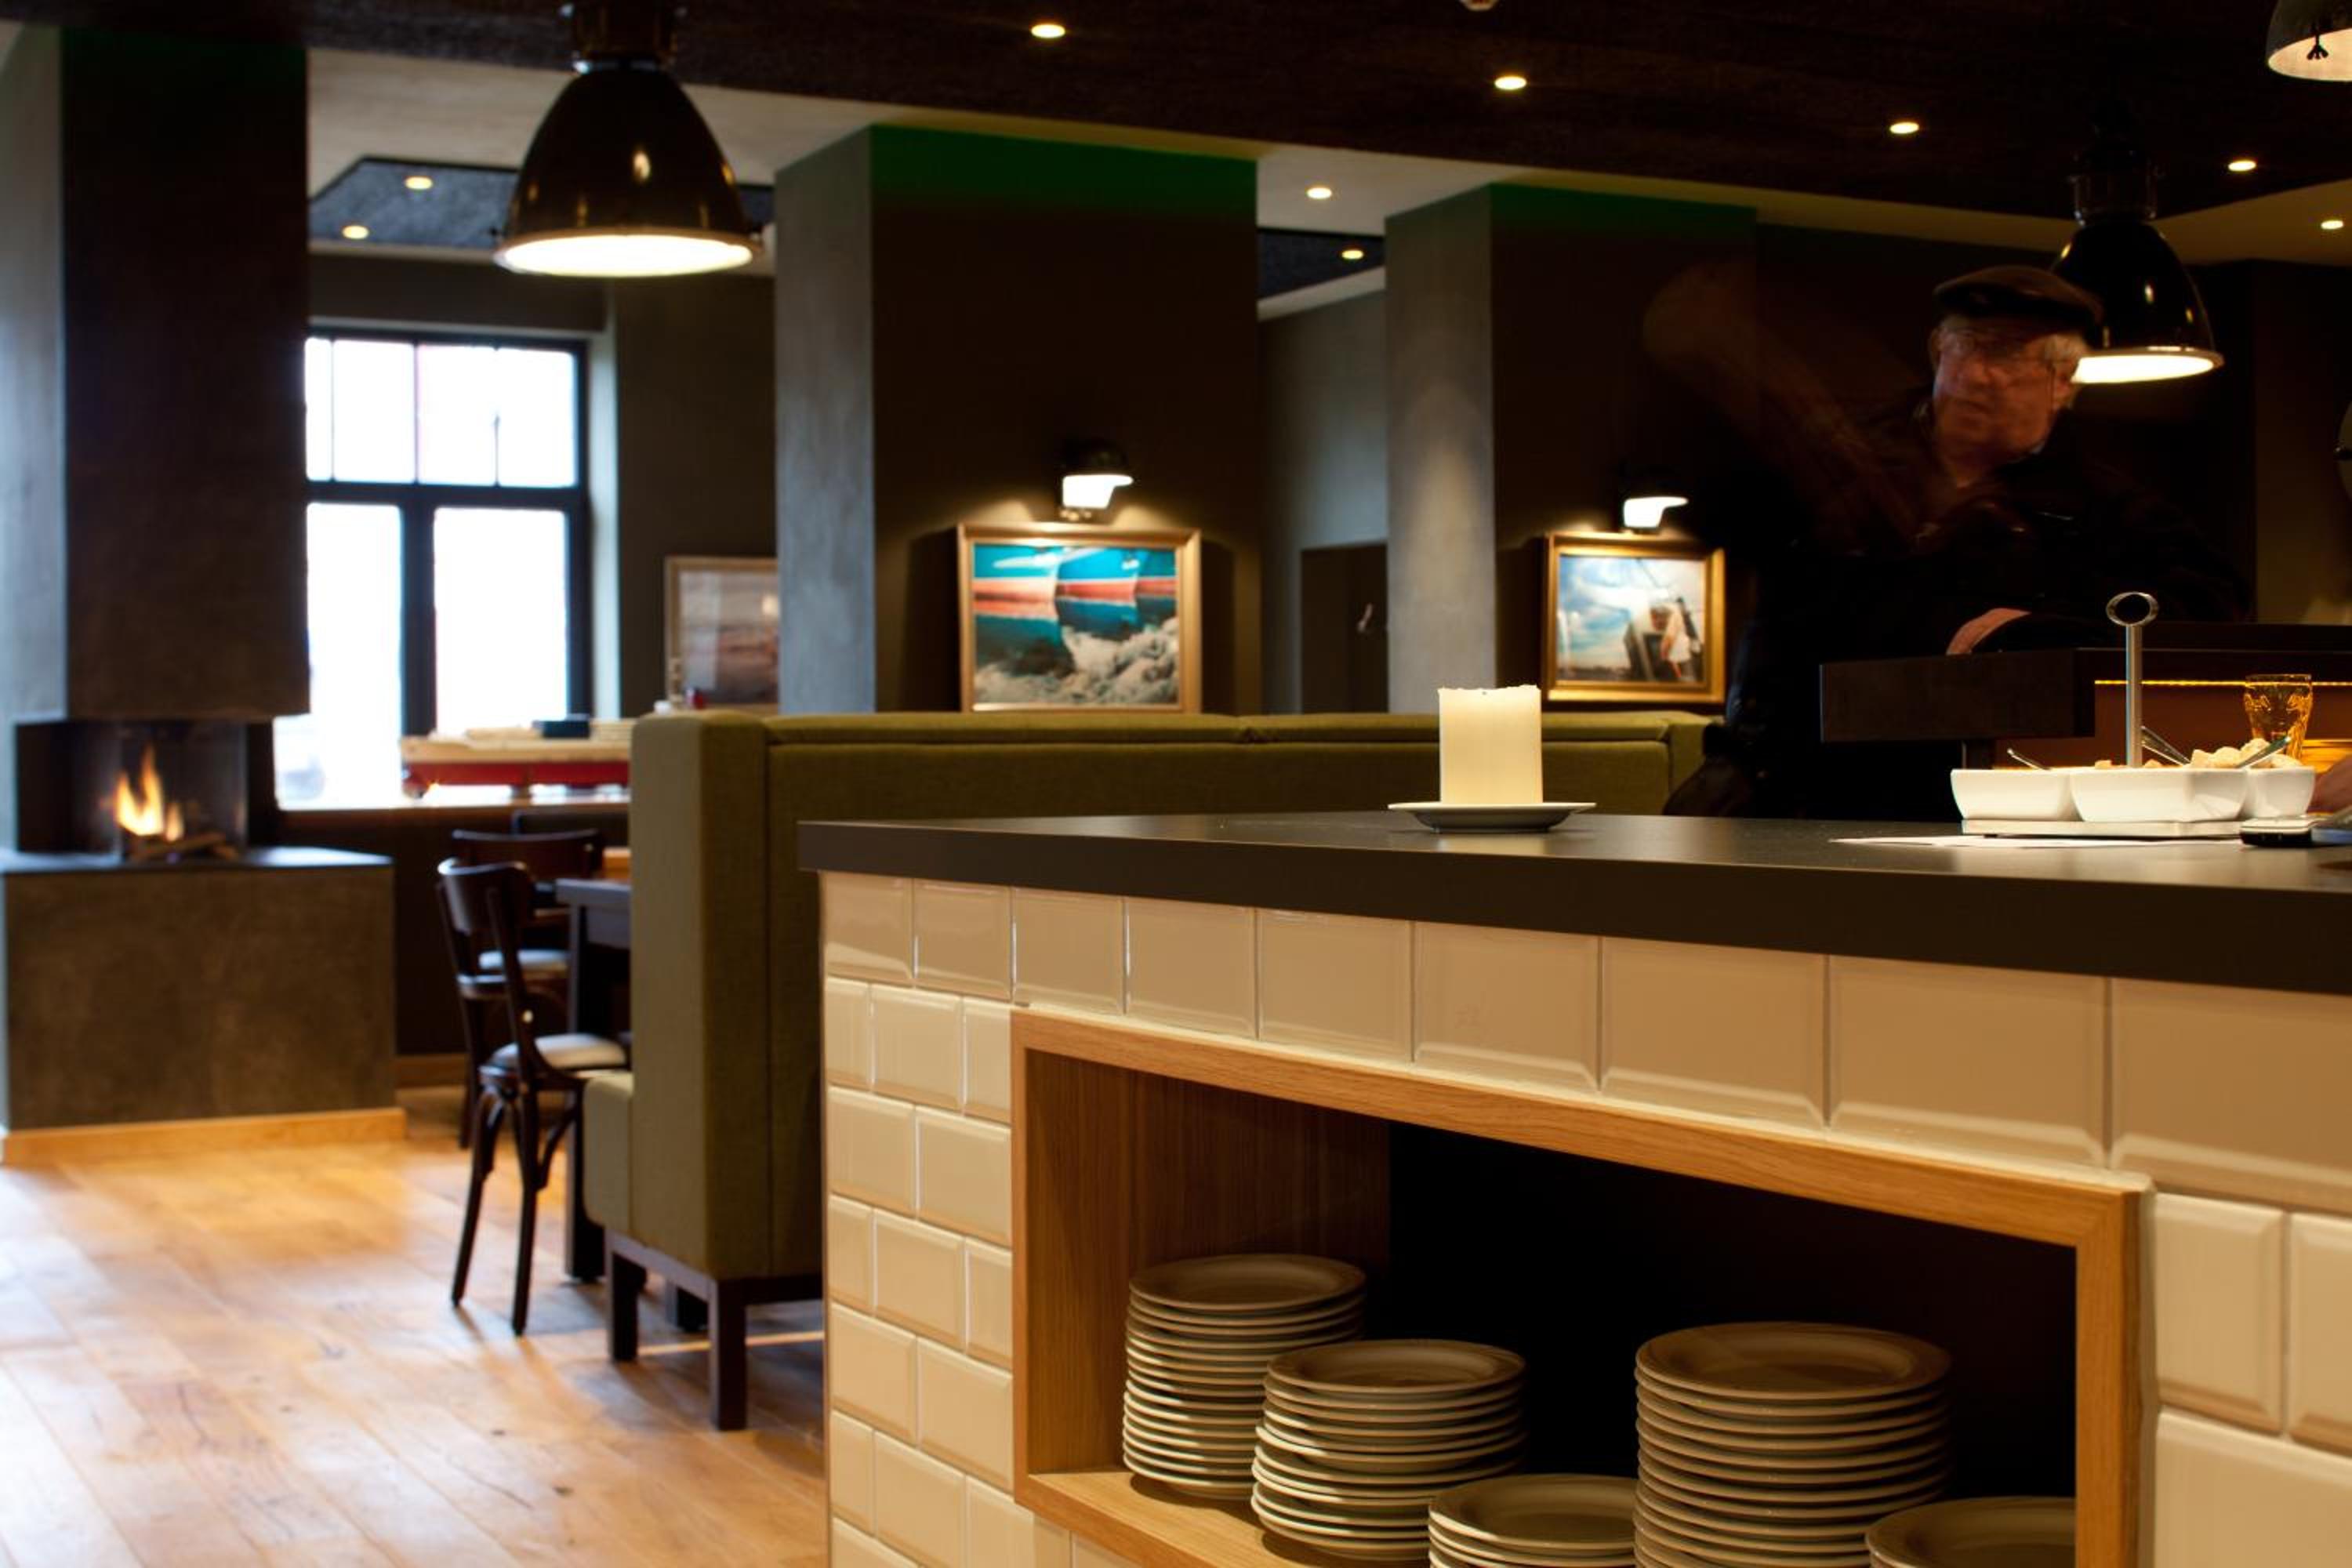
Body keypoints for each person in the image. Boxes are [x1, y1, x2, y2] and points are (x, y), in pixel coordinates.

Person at [1657, 264, 2248, 818]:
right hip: (1790, 798)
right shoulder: (1841, 460)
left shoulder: (2102, 508)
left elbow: (2210, 609)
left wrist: (2046, 632)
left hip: (1963, 810)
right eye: (1964, 347)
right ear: (1938, 351)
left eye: (2008, 353)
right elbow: (1716, 514)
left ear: (2062, 381)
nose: (1976, 375)